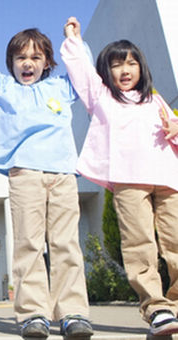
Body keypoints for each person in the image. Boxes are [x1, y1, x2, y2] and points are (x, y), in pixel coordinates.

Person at [0, 16, 93, 338]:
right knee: (28, 244)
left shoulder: (62, 88)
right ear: (11, 62)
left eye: (36, 57)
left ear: (48, 62)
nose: (28, 63)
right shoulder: (4, 87)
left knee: (66, 244)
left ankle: (73, 312)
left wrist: (73, 40)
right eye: (21, 57)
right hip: (25, 174)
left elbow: (85, 74)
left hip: (64, 174)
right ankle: (33, 314)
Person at [62, 16, 178, 336]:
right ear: (106, 71)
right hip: (129, 180)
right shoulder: (102, 98)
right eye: (116, 64)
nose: (125, 70)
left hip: (169, 179)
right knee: (139, 244)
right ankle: (155, 307)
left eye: (131, 63)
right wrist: (74, 39)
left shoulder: (154, 100)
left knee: (176, 243)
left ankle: (175, 305)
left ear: (141, 67)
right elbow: (81, 72)